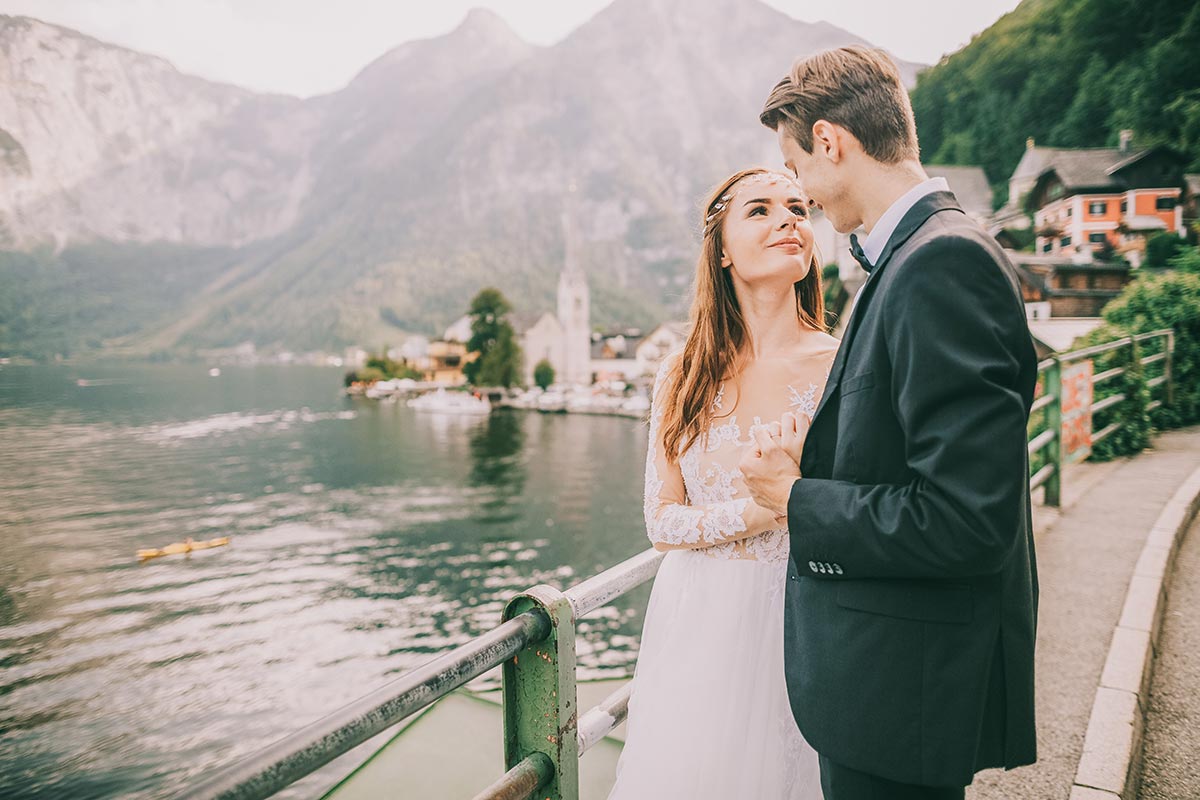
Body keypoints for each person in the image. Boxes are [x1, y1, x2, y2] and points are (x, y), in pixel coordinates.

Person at [741, 45, 1039, 799]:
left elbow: (967, 521)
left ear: (831, 143)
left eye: (797, 165)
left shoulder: (941, 265)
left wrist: (795, 496)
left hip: (900, 692)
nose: (803, 193)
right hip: (898, 681)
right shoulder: (923, 254)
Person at [607, 167, 838, 799]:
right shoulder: (681, 372)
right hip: (698, 625)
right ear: (723, 250)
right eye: (759, 210)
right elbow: (663, 521)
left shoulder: (840, 365)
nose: (789, 218)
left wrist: (795, 498)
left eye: (797, 207)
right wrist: (772, 504)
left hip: (804, 616)